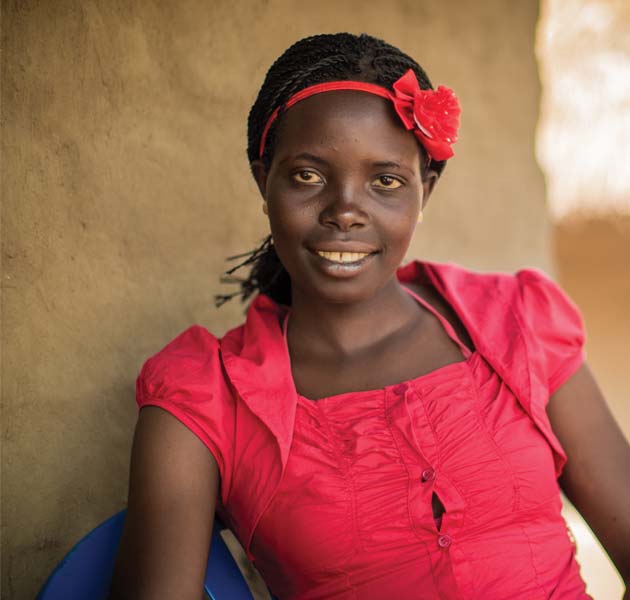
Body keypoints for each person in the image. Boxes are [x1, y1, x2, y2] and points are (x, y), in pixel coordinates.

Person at [109, 33, 630, 600]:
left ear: (423, 192)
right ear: (265, 183)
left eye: (385, 181)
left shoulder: (519, 323)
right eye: (309, 176)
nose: (345, 211)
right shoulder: (205, 399)